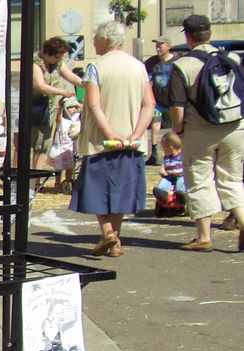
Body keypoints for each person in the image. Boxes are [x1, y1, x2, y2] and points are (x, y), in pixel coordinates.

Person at [69, 20, 154, 258]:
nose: (94, 42)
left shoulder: (96, 67)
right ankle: (114, 241)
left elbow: (93, 104)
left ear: (106, 40)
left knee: (96, 190)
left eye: (95, 38)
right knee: (120, 192)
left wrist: (108, 133)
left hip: (100, 142)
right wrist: (137, 133)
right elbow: (149, 103)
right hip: (131, 142)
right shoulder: (138, 66)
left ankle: (108, 233)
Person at [168, 14, 244, 252]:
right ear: (209, 34)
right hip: (234, 125)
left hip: (199, 130)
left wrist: (178, 131)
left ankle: (203, 237)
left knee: (200, 180)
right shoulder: (232, 58)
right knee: (232, 179)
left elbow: (177, 107)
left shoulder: (182, 65)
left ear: (187, 36)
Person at [31, 37, 83, 175]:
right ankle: (25, 179)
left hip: (47, 110)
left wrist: (88, 84)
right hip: (31, 109)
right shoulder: (35, 63)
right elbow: (40, 86)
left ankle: (36, 180)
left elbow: (71, 76)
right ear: (47, 52)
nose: (59, 59)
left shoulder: (58, 63)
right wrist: (63, 92)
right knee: (28, 146)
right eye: (56, 56)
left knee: (43, 146)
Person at [144, 36, 176, 165]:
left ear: (168, 46)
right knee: (155, 126)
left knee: (175, 126)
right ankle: (154, 152)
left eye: (161, 45)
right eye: (156, 45)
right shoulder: (152, 62)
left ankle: (176, 150)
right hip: (157, 100)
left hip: (172, 99)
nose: (158, 48)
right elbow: (146, 79)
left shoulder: (176, 61)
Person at [152, 131, 187, 206]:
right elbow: (164, 165)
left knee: (182, 180)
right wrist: (162, 170)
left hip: (180, 175)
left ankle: (181, 194)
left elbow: (187, 165)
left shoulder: (182, 156)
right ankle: (162, 193)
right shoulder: (166, 157)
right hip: (169, 176)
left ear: (170, 148)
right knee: (164, 181)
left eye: (163, 148)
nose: (163, 150)